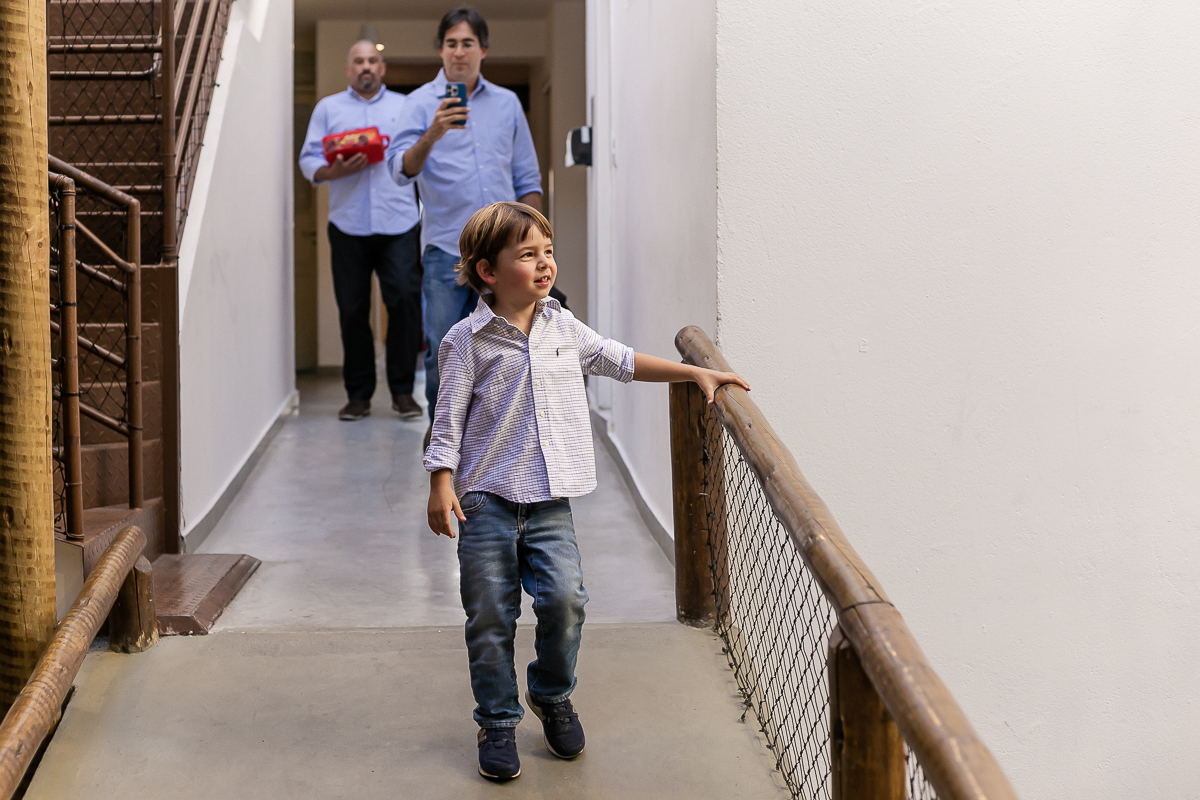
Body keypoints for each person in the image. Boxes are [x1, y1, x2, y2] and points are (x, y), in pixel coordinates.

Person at [423, 202, 751, 781]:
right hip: (485, 502)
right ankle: (497, 722)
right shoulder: (465, 340)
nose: (544, 263)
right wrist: (440, 483)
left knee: (566, 601)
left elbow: (619, 360)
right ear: (487, 272)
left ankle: (550, 694)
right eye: (527, 255)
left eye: (547, 251)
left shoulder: (562, 327)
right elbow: (447, 418)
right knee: (491, 616)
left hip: (549, 501)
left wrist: (692, 373)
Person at [386, 7, 543, 441]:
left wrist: (536, 243)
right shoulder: (419, 103)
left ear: (483, 50)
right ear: (440, 50)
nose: (459, 51)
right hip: (445, 250)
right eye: (451, 43)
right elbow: (400, 170)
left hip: (505, 251)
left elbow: (528, 179)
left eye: (467, 43)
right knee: (443, 349)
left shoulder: (508, 104)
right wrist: (434, 131)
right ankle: (444, 436)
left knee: (506, 345)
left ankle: (497, 436)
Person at [299, 39, 424, 422]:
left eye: (373, 60)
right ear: (348, 69)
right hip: (348, 225)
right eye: (358, 61)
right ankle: (358, 395)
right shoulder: (328, 109)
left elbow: (417, 157)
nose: (366, 66)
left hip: (399, 222)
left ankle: (403, 391)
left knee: (403, 302)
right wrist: (331, 172)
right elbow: (308, 159)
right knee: (352, 311)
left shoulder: (405, 107)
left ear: (382, 68)